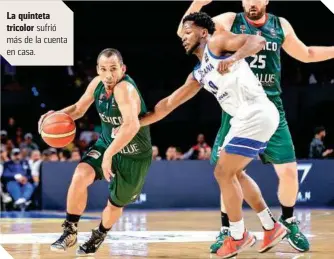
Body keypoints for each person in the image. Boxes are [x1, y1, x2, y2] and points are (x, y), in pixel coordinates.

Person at [177, 0, 334, 253]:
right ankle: (228, 229)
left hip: (270, 102)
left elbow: (307, 54)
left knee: (289, 171)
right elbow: (188, 30)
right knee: (226, 171)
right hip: (237, 106)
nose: (251, 2)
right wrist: (198, 3)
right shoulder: (229, 20)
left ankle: (288, 222)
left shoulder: (279, 25)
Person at [140, 12, 287, 258]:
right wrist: (138, 122)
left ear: (204, 32)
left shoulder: (218, 42)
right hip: (244, 118)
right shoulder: (199, 73)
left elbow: (257, 42)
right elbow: (168, 104)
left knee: (222, 171)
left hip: (257, 111)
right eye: (182, 33)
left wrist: (236, 57)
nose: (183, 37)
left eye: (188, 32)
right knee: (235, 173)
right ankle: (271, 227)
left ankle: (238, 236)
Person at [38, 48, 152, 256]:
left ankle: (99, 234)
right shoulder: (97, 84)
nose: (108, 75)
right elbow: (79, 109)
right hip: (107, 143)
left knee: (115, 204)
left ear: (122, 69)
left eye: (113, 69)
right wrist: (52, 118)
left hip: (134, 155)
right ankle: (70, 230)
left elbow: (132, 125)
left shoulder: (124, 89)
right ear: (97, 70)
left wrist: (109, 155)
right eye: (103, 69)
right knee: (80, 174)